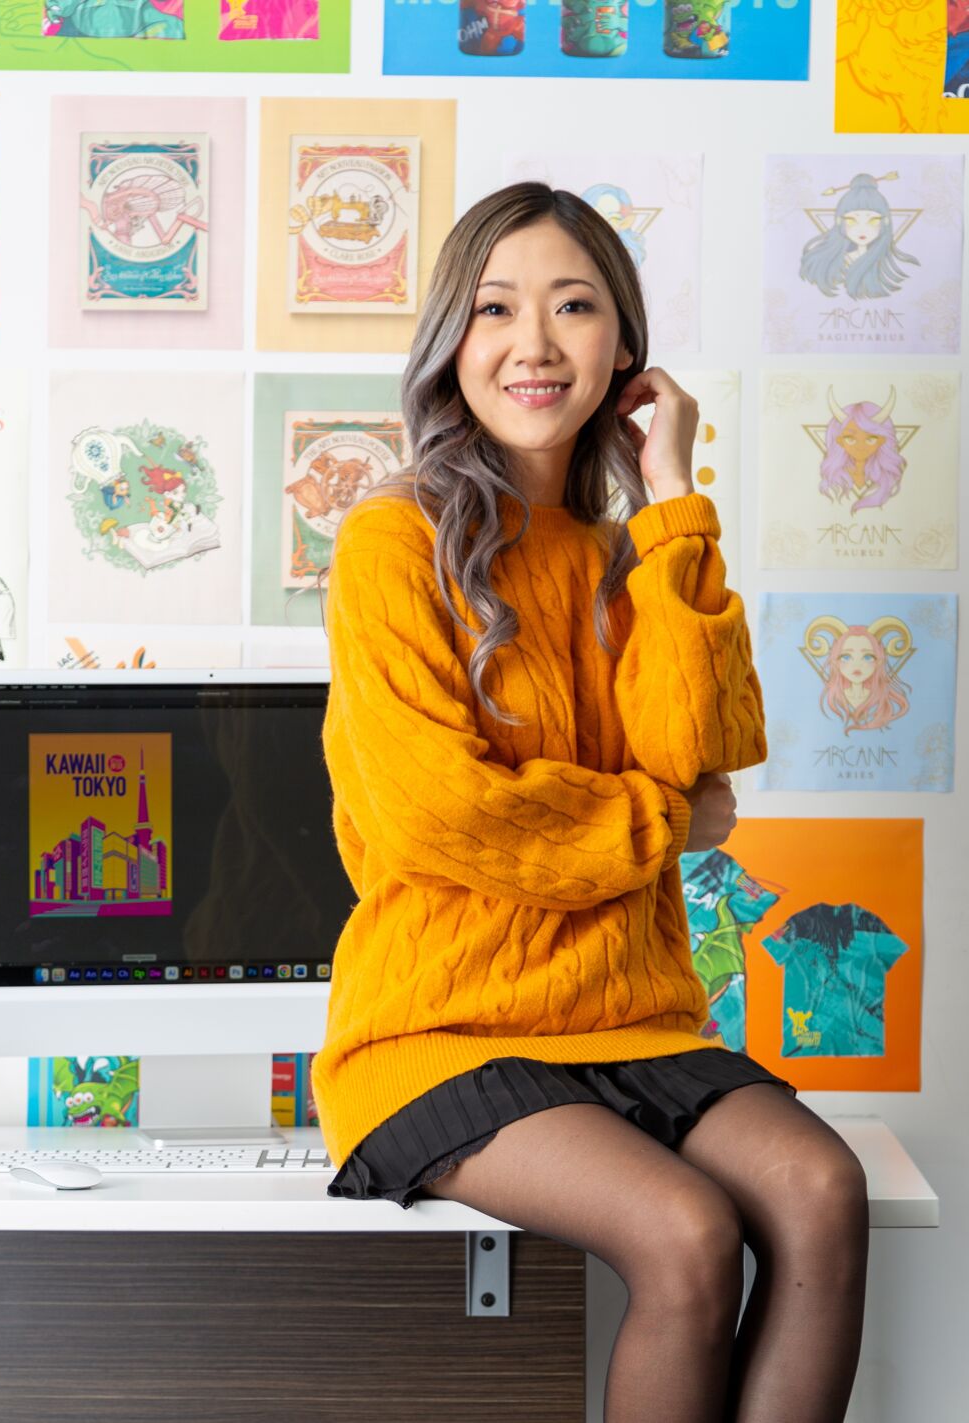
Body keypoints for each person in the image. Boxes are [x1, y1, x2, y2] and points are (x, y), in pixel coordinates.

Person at [311, 182, 870, 1423]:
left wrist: (668, 494)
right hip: (438, 1028)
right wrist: (664, 823)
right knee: (683, 1231)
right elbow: (438, 811)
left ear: (623, 348)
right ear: (451, 339)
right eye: (496, 307)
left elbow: (712, 747)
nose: (534, 343)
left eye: (574, 307)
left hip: (632, 1011)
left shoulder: (630, 559)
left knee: (821, 1195)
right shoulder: (391, 544)